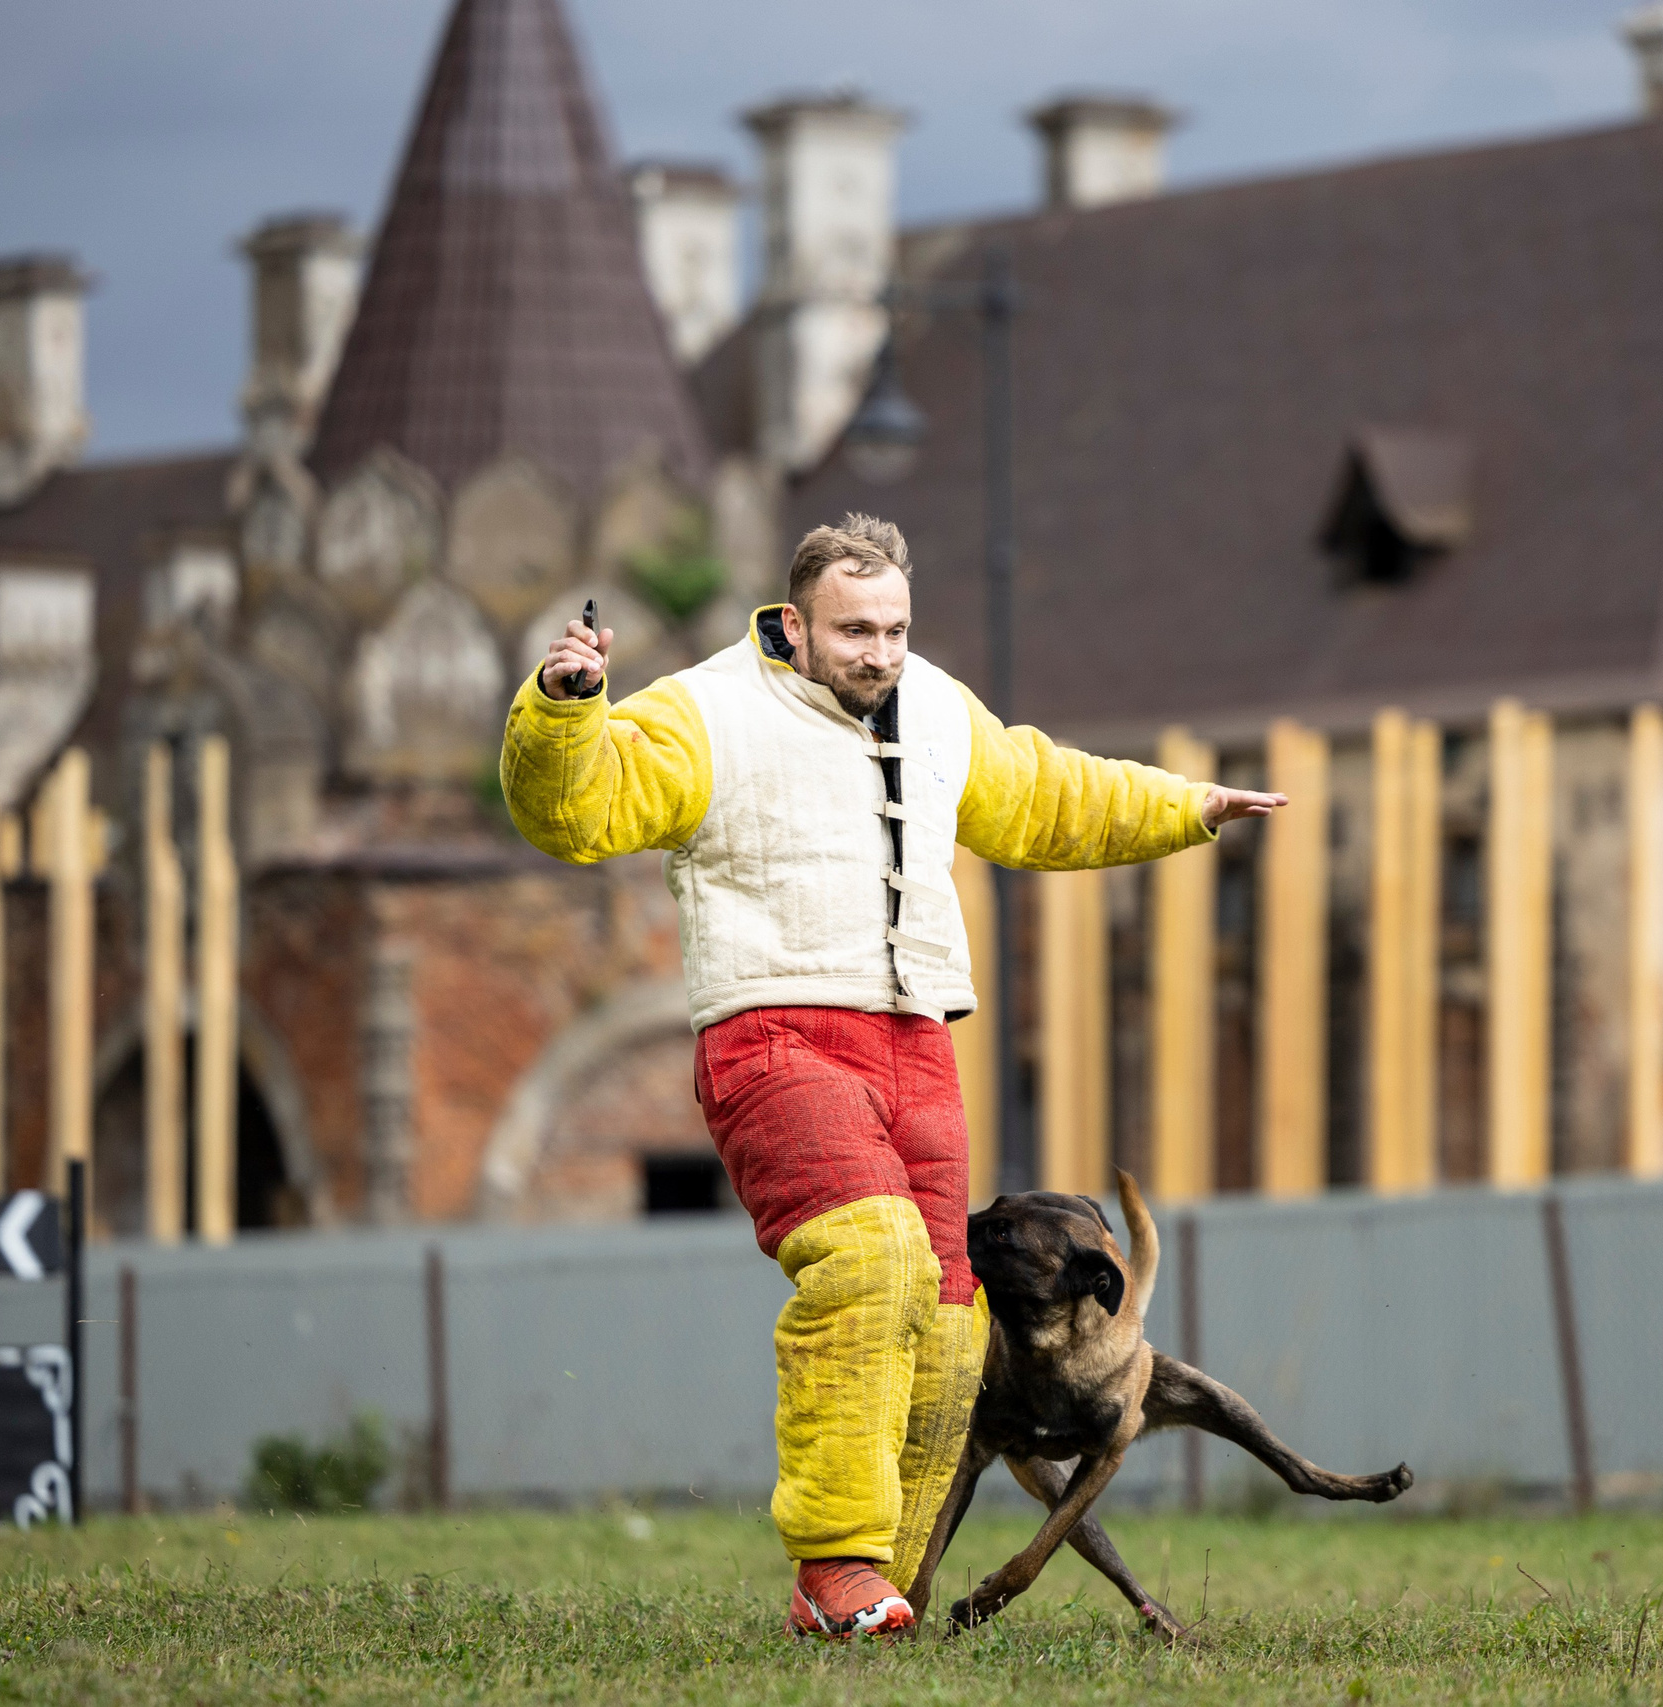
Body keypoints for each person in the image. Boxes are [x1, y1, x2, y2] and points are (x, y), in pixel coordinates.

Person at [499, 514, 1282, 1639]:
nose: (879, 652)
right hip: (774, 1036)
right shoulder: (705, 709)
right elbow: (576, 812)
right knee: (868, 1268)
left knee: (952, 1320)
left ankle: (887, 1587)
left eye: (896, 629)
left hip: (916, 1042)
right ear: (797, 623)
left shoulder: (938, 709)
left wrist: (1188, 808)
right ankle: (836, 1571)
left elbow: (1046, 795)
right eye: (855, 631)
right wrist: (565, 709)